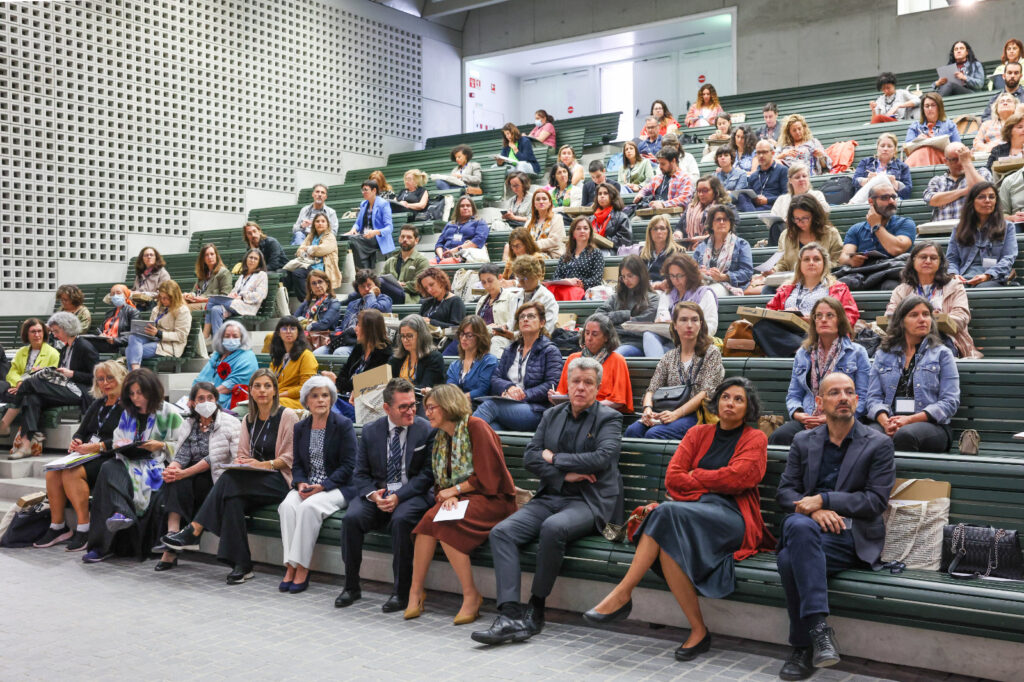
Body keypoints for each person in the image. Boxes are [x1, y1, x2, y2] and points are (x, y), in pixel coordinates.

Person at [587, 378, 773, 663]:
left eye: (739, 399)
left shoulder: (755, 438)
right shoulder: (697, 433)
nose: (730, 403)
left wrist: (696, 477)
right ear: (716, 402)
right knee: (666, 540)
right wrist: (711, 483)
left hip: (731, 518)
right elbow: (673, 479)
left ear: (748, 408)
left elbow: (741, 478)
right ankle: (698, 630)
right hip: (690, 514)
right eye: (725, 397)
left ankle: (623, 593)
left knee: (664, 514)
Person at [475, 357, 624, 645]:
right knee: (502, 533)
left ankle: (536, 607)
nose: (581, 387)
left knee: (553, 527)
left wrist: (554, 458)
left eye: (588, 383)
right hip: (552, 494)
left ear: (597, 387)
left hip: (590, 502)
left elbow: (601, 458)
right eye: (576, 381)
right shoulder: (552, 415)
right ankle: (509, 615)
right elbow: (531, 457)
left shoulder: (609, 418)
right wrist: (564, 475)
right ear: (567, 383)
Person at [774, 372, 895, 681]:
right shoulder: (803, 441)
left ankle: (802, 646)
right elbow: (785, 493)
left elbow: (875, 501)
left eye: (849, 392)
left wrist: (825, 499)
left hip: (850, 536)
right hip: (806, 526)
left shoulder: (878, 443)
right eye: (834, 392)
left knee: (789, 559)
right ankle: (819, 631)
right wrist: (814, 510)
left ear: (857, 400)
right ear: (819, 402)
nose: (843, 397)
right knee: (800, 528)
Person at [161, 369, 301, 583]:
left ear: (275, 390)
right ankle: (242, 566)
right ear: (250, 391)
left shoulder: (287, 416)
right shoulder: (248, 419)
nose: (262, 390)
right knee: (232, 499)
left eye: (267, 386)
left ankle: (194, 529)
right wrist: (246, 463)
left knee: (228, 480)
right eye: (257, 386)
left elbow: (290, 457)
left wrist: (263, 464)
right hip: (253, 480)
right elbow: (242, 454)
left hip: (280, 479)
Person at [404, 385, 517, 623]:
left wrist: (455, 491)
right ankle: (415, 591)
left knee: (444, 523)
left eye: (432, 408)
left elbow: (489, 478)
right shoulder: (442, 437)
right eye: (426, 408)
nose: (427, 413)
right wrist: (451, 494)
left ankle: (471, 595)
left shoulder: (476, 427)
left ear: (448, 406)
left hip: (493, 499)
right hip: (466, 498)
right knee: (428, 522)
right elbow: (441, 483)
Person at [338, 378, 436, 611]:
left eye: (413, 404)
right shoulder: (371, 431)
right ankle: (351, 587)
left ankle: (401, 592)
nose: (411, 411)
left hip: (411, 494)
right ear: (386, 408)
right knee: (351, 519)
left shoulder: (426, 429)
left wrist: (399, 496)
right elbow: (360, 473)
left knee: (401, 521)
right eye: (403, 407)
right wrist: (374, 496)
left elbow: (427, 475)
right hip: (379, 494)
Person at [83, 368, 184, 563]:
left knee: (134, 481)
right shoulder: (128, 413)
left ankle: (124, 519)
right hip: (129, 460)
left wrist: (161, 445)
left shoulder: (169, 412)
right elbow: (118, 439)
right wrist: (122, 445)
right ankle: (110, 531)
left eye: (140, 393)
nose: (136, 398)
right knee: (108, 467)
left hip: (157, 464)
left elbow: (182, 446)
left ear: (151, 391)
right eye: (132, 393)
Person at [33, 360, 127, 551]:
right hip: (88, 453)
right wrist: (76, 441)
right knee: (53, 472)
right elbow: (81, 431)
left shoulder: (127, 406)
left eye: (110, 378)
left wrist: (96, 447)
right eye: (100, 379)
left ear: (121, 378)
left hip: (111, 456)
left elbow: (125, 440)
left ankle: (84, 528)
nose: (105, 383)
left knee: (71, 473)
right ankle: (57, 526)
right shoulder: (98, 403)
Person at [275, 376, 356, 593]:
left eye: (325, 395)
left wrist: (323, 486)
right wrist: (300, 482)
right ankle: (290, 566)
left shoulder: (343, 425)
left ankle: (302, 567)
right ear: (306, 401)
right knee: (287, 506)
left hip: (337, 486)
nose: (321, 400)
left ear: (331, 399)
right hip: (309, 484)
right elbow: (298, 464)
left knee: (309, 508)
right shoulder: (301, 427)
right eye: (315, 396)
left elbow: (349, 465)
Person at [154, 381, 241, 572]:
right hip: (193, 475)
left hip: (218, 477)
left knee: (183, 479)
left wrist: (183, 472)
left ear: (216, 400)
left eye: (210, 398)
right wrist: (172, 469)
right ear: (193, 402)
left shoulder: (229, 423)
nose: (206, 402)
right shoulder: (190, 424)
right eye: (201, 398)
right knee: (173, 479)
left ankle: (171, 548)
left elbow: (216, 458)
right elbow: (182, 455)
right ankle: (173, 535)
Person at [769, 297, 871, 447]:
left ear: (840, 320)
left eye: (830, 315)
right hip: (809, 417)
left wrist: (831, 417)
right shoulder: (803, 353)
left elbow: (863, 397)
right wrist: (798, 414)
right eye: (818, 316)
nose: (823, 320)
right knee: (779, 437)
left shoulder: (857, 352)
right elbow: (794, 394)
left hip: (843, 418)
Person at [867, 295, 960, 453]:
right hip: (891, 419)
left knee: (904, 435)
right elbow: (873, 398)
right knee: (868, 435)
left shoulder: (942, 354)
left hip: (932, 426)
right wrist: (885, 421)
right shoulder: (883, 354)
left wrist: (909, 420)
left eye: (926, 314)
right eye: (914, 315)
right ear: (901, 321)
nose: (922, 319)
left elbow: (950, 402)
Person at [1, 312, 97, 458]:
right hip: (66, 387)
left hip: (79, 391)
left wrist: (72, 374)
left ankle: (4, 423)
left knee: (30, 382)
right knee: (31, 397)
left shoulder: (84, 346)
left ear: (66, 328)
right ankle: (25, 445)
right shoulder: (66, 348)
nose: (55, 335)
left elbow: (96, 377)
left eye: (57, 331)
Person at [626, 301, 724, 439]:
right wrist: (647, 409)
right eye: (683, 320)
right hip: (668, 411)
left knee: (654, 434)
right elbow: (652, 389)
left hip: (698, 414)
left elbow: (705, 393)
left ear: (701, 324)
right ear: (675, 325)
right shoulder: (669, 357)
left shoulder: (711, 353)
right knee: (632, 431)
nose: (689, 325)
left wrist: (676, 414)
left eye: (694, 320)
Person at [472, 301, 563, 432]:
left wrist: (523, 395)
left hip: (536, 409)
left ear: (542, 323)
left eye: (531, 316)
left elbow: (551, 384)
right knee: (490, 428)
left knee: (489, 406)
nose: (525, 319)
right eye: (522, 317)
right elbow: (495, 378)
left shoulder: (550, 351)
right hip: (509, 406)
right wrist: (509, 387)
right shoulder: (510, 350)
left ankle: (460, 443)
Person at [756, 242, 859, 358]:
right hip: (789, 333)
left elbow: (850, 317)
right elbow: (770, 312)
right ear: (800, 264)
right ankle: (804, 351)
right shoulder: (786, 288)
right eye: (806, 259)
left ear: (824, 264)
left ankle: (803, 351)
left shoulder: (838, 288)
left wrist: (817, 319)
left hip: (817, 332)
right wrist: (785, 315)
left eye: (816, 259)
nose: (811, 263)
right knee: (761, 326)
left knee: (822, 334)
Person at [887, 242, 977, 358]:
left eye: (933, 258)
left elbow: (962, 317)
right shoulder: (901, 290)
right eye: (923, 257)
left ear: (940, 263)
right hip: (908, 339)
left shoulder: (954, 286)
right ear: (913, 260)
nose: (928, 261)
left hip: (945, 338)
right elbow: (890, 317)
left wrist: (937, 319)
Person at [748, 196, 844, 295]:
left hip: (822, 279)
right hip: (792, 281)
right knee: (768, 289)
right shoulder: (786, 235)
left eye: (805, 218)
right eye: (796, 219)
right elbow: (783, 263)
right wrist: (773, 270)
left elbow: (837, 262)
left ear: (814, 216)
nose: (800, 223)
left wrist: (813, 269)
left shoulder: (830, 233)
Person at [320, 308, 392, 420]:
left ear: (369, 329)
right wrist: (339, 382)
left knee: (325, 407)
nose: (355, 329)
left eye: (359, 325)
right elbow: (345, 372)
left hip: (365, 406)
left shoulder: (385, 354)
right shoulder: (360, 347)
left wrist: (337, 381)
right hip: (346, 398)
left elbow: (364, 385)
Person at [552, 315, 632, 412]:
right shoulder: (572, 358)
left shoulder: (617, 360)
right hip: (574, 411)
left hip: (603, 413)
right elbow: (563, 393)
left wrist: (587, 406)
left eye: (595, 334)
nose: (589, 338)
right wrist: (555, 397)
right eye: (587, 333)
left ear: (606, 337)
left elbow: (617, 401)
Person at [946, 182, 1018, 287]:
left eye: (991, 197)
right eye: (981, 197)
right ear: (972, 202)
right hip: (964, 277)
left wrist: (987, 275)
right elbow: (952, 259)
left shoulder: (1008, 227)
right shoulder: (959, 228)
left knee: (982, 287)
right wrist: (954, 275)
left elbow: (1008, 258)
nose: (987, 200)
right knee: (953, 287)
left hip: (994, 278)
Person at [839, 185, 916, 274]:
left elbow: (897, 249)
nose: (891, 201)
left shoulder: (905, 223)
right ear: (871, 201)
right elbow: (843, 257)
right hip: (864, 273)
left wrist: (876, 226)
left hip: (894, 273)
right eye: (885, 198)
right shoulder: (856, 229)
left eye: (893, 197)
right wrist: (850, 260)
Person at [650, 254, 719, 352]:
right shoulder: (667, 294)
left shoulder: (705, 294)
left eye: (680, 275)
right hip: (671, 340)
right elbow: (661, 318)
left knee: (663, 352)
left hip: (695, 342)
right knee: (649, 335)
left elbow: (711, 326)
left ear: (690, 274)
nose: (675, 280)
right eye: (672, 276)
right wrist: (663, 322)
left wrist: (688, 330)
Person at [598, 254, 660, 357]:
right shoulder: (616, 297)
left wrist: (614, 325)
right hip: (612, 341)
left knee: (615, 356)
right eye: (623, 277)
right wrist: (626, 315)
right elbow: (598, 317)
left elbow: (641, 326)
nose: (626, 280)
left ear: (640, 275)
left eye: (630, 276)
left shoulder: (653, 298)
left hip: (635, 343)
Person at [321, 269, 393, 358]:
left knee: (339, 352)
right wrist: (334, 337)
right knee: (318, 352)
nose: (366, 289)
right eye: (362, 286)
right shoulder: (353, 304)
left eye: (369, 285)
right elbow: (342, 326)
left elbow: (371, 312)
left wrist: (370, 295)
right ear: (358, 288)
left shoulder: (385, 300)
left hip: (366, 344)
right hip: (346, 340)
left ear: (376, 285)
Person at [124, 280, 190, 370]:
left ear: (174, 297)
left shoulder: (182, 311)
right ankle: (136, 373)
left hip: (169, 345)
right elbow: (152, 325)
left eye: (166, 298)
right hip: (154, 339)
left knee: (130, 351)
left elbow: (181, 336)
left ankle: (134, 373)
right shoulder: (157, 309)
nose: (162, 300)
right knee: (133, 336)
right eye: (161, 297)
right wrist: (145, 330)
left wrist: (159, 333)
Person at [193, 320, 258, 409]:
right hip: (210, 396)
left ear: (242, 338)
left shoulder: (248, 357)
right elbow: (202, 377)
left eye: (235, 336)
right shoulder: (217, 355)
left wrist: (205, 397)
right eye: (227, 336)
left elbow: (229, 386)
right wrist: (194, 395)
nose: (231, 339)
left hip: (230, 401)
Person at [693, 204, 754, 295]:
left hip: (729, 286)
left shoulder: (741, 244)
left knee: (708, 293)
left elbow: (747, 272)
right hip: (703, 284)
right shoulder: (701, 246)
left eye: (725, 219)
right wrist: (700, 272)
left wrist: (723, 277)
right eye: (718, 219)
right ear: (711, 224)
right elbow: (691, 270)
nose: (722, 222)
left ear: (730, 223)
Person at [208, 247, 268, 339]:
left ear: (259, 262)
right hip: (234, 304)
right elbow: (235, 291)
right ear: (246, 259)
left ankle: (206, 332)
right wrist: (232, 295)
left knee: (212, 300)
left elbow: (259, 296)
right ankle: (218, 343)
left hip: (248, 307)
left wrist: (242, 296)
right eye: (250, 257)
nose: (252, 260)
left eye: (255, 259)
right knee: (215, 309)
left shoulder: (262, 275)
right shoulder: (242, 276)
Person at [923, 142, 993, 221]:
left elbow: (983, 191)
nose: (960, 163)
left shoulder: (982, 173)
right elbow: (932, 200)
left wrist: (967, 162)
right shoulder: (937, 181)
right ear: (945, 161)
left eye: (962, 158)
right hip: (941, 227)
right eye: (954, 159)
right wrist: (965, 191)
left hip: (972, 226)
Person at [2, 318, 59, 412]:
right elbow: (12, 372)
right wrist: (19, 383)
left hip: (36, 390)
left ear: (44, 333)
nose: (37, 335)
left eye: (39, 331)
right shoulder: (21, 351)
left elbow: (51, 377)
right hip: (17, 387)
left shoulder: (53, 353)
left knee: (24, 397)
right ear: (26, 334)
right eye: (33, 332)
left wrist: (23, 387)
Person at [284, 213, 341, 299]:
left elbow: (321, 250)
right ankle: (287, 299)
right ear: (314, 224)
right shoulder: (311, 236)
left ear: (327, 224)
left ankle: (307, 300)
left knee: (298, 273)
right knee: (287, 272)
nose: (320, 223)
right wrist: (307, 251)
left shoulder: (330, 236)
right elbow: (299, 251)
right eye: (317, 221)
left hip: (322, 267)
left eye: (323, 221)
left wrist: (308, 249)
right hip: (309, 265)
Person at [267, 316, 318, 411]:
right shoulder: (278, 356)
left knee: (270, 404)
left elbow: (306, 387)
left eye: (292, 328)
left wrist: (280, 395)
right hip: (277, 397)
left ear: (298, 332)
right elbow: (269, 380)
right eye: (284, 328)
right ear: (279, 333)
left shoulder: (306, 356)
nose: (288, 331)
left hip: (298, 400)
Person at [550, 217, 605, 301]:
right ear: (573, 233)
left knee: (570, 292)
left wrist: (579, 283)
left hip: (583, 292)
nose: (582, 231)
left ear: (590, 232)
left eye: (585, 228)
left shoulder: (596, 253)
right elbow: (555, 277)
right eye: (578, 228)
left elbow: (597, 279)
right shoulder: (565, 256)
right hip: (563, 290)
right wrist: (566, 281)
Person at [443, 316, 498, 399]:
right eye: (462, 334)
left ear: (480, 337)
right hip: (456, 404)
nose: (464, 338)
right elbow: (451, 390)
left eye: (469, 335)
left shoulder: (489, 361)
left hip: (478, 405)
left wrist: (459, 399)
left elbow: (482, 391)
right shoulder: (454, 365)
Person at [345, 179, 396, 270]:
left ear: (374, 190)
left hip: (377, 238)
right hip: (364, 237)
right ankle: (363, 267)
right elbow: (358, 223)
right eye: (362, 190)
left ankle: (363, 269)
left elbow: (389, 228)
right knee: (346, 238)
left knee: (353, 240)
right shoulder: (363, 204)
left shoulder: (383, 204)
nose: (363, 192)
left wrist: (375, 232)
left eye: (366, 190)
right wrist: (353, 229)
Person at [506, 255, 559, 337]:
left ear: (537, 275)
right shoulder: (516, 298)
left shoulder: (547, 298)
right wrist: (505, 328)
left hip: (538, 342)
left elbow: (547, 330)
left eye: (525, 278)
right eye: (519, 278)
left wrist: (515, 335)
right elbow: (511, 325)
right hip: (515, 340)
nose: (521, 282)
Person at [186, 243, 232, 338]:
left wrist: (203, 300)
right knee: (177, 304)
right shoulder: (203, 273)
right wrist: (190, 295)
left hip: (210, 304)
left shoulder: (223, 273)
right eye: (206, 255)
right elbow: (195, 290)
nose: (209, 257)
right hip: (198, 302)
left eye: (212, 254)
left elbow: (225, 297)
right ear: (203, 259)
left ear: (216, 255)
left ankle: (188, 336)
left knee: (183, 309)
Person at [905, 92, 961, 167]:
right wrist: (917, 140)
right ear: (923, 109)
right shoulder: (915, 126)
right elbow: (908, 147)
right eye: (927, 106)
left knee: (928, 149)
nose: (930, 109)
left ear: (939, 107)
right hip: (919, 159)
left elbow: (958, 147)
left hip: (943, 161)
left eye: (933, 105)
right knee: (924, 150)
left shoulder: (949, 125)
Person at [389, 314, 445, 390]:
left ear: (421, 336)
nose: (405, 340)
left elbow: (424, 388)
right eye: (402, 336)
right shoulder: (396, 358)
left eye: (409, 336)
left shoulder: (434, 358)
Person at [475, 264, 519, 359]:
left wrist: (499, 328)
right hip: (483, 339)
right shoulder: (482, 301)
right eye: (483, 282)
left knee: (495, 341)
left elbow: (513, 325)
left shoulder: (511, 297)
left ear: (499, 278)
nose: (487, 285)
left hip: (504, 340)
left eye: (490, 281)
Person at [852, 133, 913, 201]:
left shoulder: (903, 167)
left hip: (890, 200)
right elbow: (855, 181)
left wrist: (894, 183)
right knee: (881, 179)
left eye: (889, 146)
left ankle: (853, 203)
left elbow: (907, 192)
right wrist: (867, 180)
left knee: (882, 178)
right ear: (877, 148)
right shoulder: (866, 162)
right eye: (882, 146)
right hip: (868, 199)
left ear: (895, 149)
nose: (885, 149)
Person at [79, 284, 137, 354]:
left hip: (117, 345)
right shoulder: (110, 312)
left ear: (125, 295)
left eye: (118, 293)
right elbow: (99, 330)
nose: (115, 296)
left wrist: (115, 340)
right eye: (112, 294)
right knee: (80, 341)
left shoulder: (132, 312)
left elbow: (135, 334)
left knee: (82, 344)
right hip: (104, 342)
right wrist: (100, 335)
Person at [633, 147, 694, 212]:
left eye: (663, 164)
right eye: (659, 163)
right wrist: (640, 194)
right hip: (655, 211)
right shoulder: (658, 177)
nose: (660, 167)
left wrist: (664, 204)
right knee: (635, 217)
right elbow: (646, 188)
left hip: (673, 213)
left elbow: (685, 198)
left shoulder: (685, 178)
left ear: (673, 161)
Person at [380, 224, 429, 304]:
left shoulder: (421, 261)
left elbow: (419, 285)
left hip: (408, 298)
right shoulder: (390, 261)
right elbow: (380, 280)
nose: (405, 239)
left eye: (409, 237)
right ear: (399, 239)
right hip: (388, 296)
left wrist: (398, 285)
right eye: (402, 237)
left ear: (416, 240)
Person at [432, 196, 489, 264]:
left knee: (444, 263)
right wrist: (441, 256)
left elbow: (479, 240)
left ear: (473, 208)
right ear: (458, 209)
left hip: (463, 256)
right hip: (443, 256)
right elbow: (439, 243)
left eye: (468, 206)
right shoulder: (449, 224)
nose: (465, 208)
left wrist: (455, 250)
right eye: (462, 206)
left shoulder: (479, 222)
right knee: (428, 264)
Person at [677, 175, 728, 247]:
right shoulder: (691, 207)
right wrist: (678, 233)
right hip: (689, 246)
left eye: (705, 191)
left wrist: (703, 240)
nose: (701, 194)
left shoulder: (725, 208)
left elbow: (726, 233)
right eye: (698, 191)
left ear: (715, 191)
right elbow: (679, 227)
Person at [641, 215, 683, 288]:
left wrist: (660, 285)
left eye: (662, 228)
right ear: (650, 232)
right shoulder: (644, 254)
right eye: (655, 229)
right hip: (646, 290)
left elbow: (681, 277)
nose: (659, 232)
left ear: (668, 231)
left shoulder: (678, 252)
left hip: (668, 290)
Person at [748, 140, 789, 210]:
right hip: (754, 208)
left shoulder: (782, 170)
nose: (761, 156)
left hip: (773, 208)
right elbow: (748, 197)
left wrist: (768, 200)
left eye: (764, 152)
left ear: (772, 153)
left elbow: (786, 196)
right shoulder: (753, 175)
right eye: (758, 153)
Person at [590, 182, 632, 251]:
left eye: (605, 193)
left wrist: (603, 241)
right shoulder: (591, 218)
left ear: (612, 196)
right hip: (592, 251)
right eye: (599, 194)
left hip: (611, 252)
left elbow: (625, 240)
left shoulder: (622, 217)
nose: (602, 196)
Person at [714, 146, 754, 213]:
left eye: (726, 155)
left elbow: (736, 195)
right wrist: (728, 192)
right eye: (720, 156)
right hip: (719, 209)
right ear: (717, 159)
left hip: (739, 208)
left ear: (731, 158)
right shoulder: (714, 177)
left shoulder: (741, 174)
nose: (722, 158)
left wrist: (722, 195)